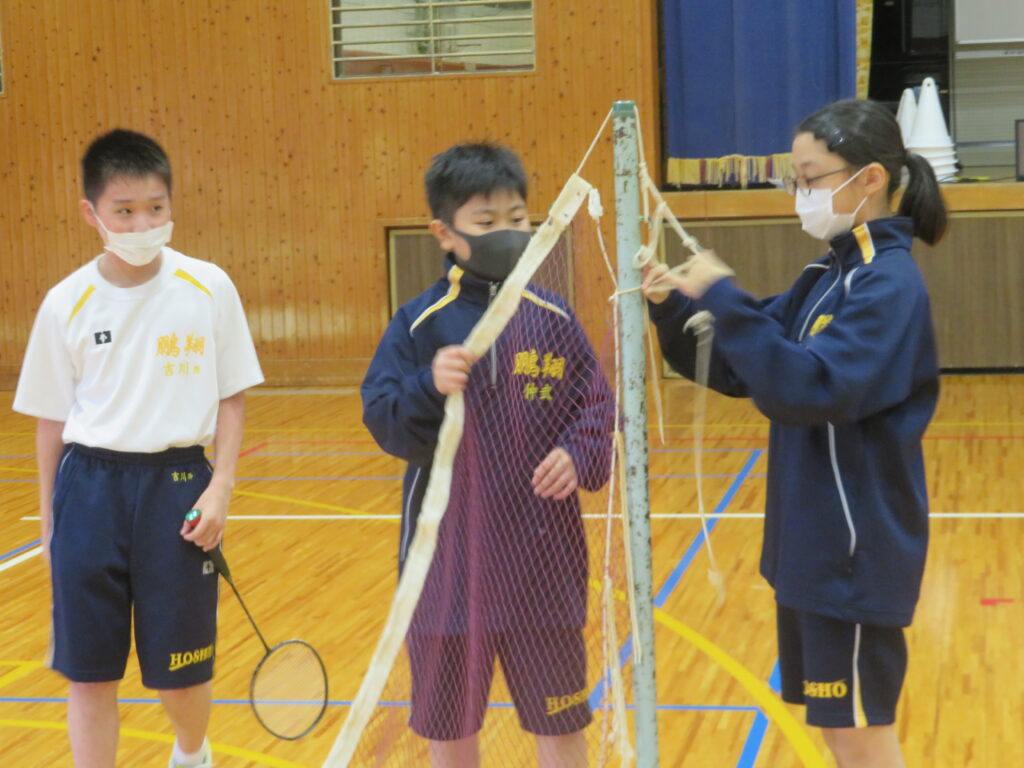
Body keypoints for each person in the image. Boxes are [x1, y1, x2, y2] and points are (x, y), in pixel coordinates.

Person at [642, 99, 945, 768]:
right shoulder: (827, 275)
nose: (799, 193)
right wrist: (672, 308)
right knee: (840, 732)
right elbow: (742, 366)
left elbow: (812, 388)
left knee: (861, 734)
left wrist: (724, 293)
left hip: (854, 554)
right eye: (796, 179)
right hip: (812, 550)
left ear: (869, 179)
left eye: (810, 178)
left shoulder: (887, 285)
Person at [13, 129, 264, 768]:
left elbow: (232, 397)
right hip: (89, 489)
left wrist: (221, 486)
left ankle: (192, 754)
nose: (142, 224)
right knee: (89, 673)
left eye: (155, 207)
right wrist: (49, 519)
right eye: (123, 211)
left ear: (171, 204)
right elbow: (50, 421)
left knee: (181, 671)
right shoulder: (65, 303)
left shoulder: (209, 287)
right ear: (91, 213)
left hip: (178, 486)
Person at [361, 143, 613, 768]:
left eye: (517, 217)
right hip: (446, 572)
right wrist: (427, 385)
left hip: (542, 567)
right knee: (449, 731)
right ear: (444, 233)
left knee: (560, 724)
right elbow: (383, 417)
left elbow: (598, 406)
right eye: (486, 220)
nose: (507, 231)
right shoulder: (420, 324)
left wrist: (577, 453)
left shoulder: (553, 318)